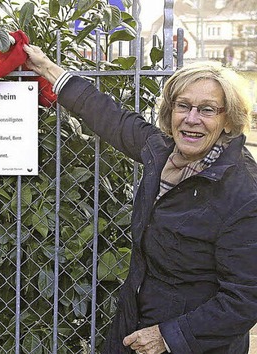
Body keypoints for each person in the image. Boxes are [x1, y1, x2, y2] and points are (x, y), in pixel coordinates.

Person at [24, 45, 257, 353]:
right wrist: (48, 69)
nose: (191, 118)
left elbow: (246, 297)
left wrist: (169, 336)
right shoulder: (162, 152)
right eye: (183, 105)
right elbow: (111, 118)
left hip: (193, 342)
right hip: (137, 322)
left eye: (208, 109)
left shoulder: (243, 191)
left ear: (229, 120)